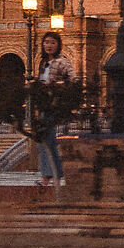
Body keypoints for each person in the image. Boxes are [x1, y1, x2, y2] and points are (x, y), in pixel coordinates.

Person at [29, 29, 74, 185]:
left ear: (58, 45)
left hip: (53, 105)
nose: (49, 45)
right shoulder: (44, 63)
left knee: (46, 140)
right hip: (44, 105)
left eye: (53, 42)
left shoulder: (62, 62)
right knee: (44, 141)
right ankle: (51, 175)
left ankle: (49, 177)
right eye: (46, 42)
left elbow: (73, 80)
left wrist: (55, 87)